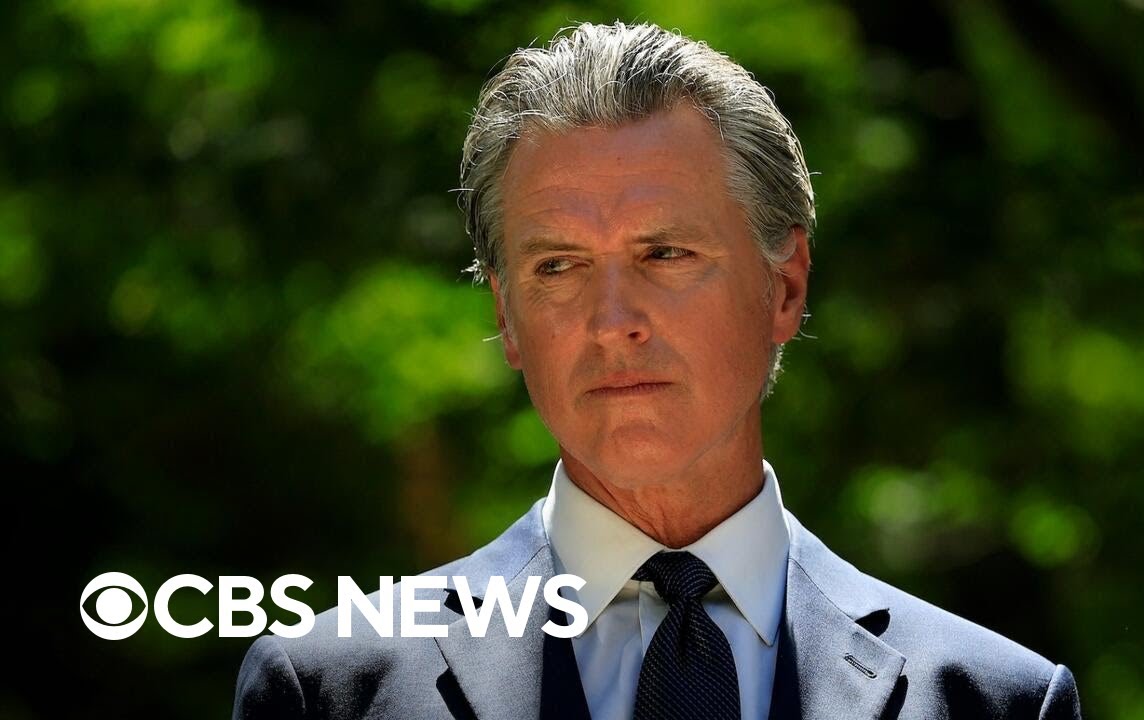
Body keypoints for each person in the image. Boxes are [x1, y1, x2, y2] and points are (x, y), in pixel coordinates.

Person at [233, 21, 1082, 720]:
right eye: (557, 266)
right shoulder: (328, 690)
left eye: (665, 253)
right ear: (507, 317)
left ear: (784, 289)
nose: (613, 322)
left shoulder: (993, 701)